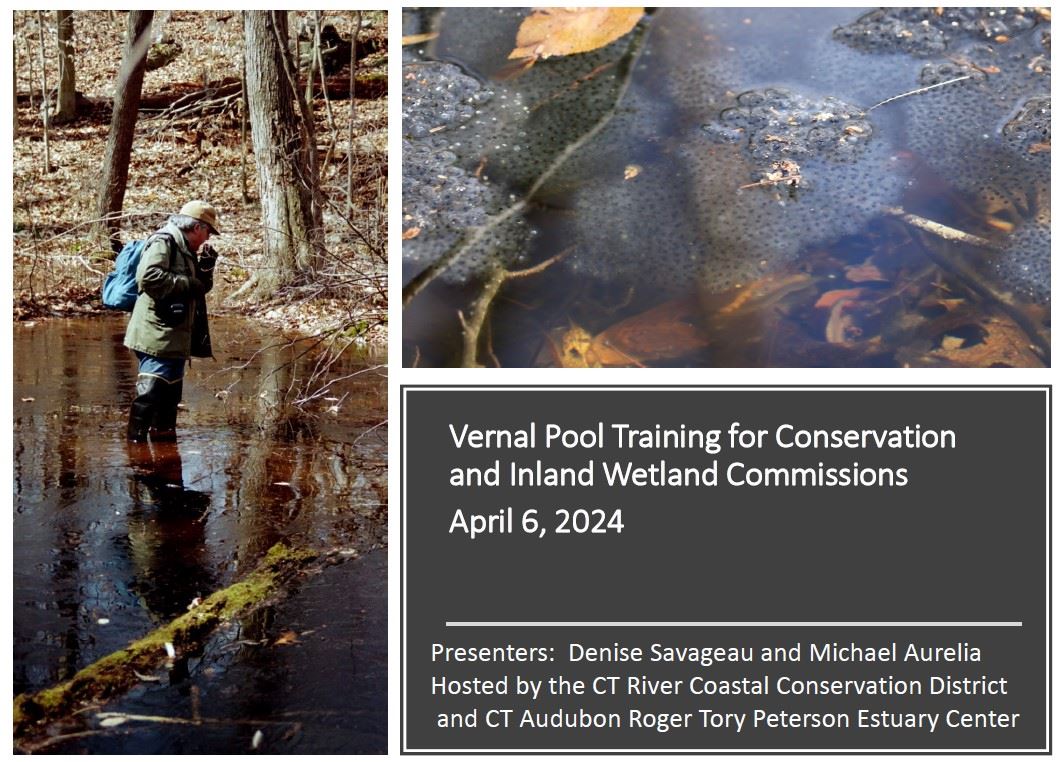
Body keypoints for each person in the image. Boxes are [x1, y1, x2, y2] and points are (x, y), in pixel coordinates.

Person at [124, 200, 220, 441]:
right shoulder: (164, 242)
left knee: (169, 397)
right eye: (208, 231)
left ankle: (163, 449)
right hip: (156, 334)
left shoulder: (186, 249)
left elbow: (197, 290)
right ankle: (136, 451)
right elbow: (149, 277)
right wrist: (190, 282)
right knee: (151, 393)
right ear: (197, 227)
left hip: (174, 334)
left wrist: (205, 271)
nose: (208, 238)